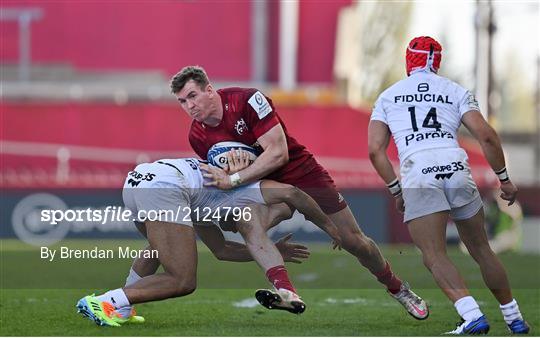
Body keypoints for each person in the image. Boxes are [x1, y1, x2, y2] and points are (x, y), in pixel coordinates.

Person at [169, 66, 429, 320]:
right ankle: (287, 291)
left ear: (209, 90)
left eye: (192, 96)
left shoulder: (248, 100)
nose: (189, 106)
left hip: (299, 171)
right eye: (182, 101)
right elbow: (227, 203)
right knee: (247, 224)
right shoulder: (197, 137)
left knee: (352, 240)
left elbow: (279, 153)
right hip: (261, 181)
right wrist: (229, 197)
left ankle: (398, 288)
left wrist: (235, 178)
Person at [367, 36, 529, 334]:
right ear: (437, 62)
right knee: (482, 250)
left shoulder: (388, 96)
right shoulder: (455, 90)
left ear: (409, 60)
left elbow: (375, 150)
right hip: (456, 167)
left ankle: (471, 315)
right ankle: (514, 318)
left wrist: (395, 190)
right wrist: (504, 179)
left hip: (420, 173)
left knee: (434, 255)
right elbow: (488, 136)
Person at [76, 157, 340, 326]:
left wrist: (276, 249)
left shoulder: (208, 204)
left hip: (140, 180)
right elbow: (292, 192)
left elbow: (221, 250)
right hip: (167, 185)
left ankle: (121, 309)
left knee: (160, 249)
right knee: (183, 280)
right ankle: (106, 301)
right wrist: (330, 225)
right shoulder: (247, 189)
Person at [459, 190, 524, 254]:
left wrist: (501, 203)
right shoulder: (494, 208)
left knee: (488, 247)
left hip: (508, 239)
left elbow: (514, 215)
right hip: (496, 238)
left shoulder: (512, 206)